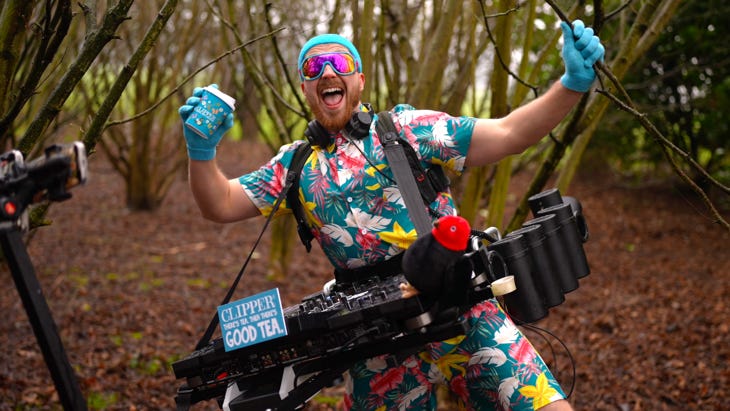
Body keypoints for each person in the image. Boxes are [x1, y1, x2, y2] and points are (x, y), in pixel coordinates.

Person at [180, 20, 604, 411]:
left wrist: (570, 85)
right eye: (315, 66)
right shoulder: (294, 166)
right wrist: (201, 152)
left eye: (340, 62)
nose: (328, 72)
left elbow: (510, 134)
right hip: (375, 345)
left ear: (359, 80)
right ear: (305, 88)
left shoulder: (407, 130)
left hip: (460, 310)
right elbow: (219, 204)